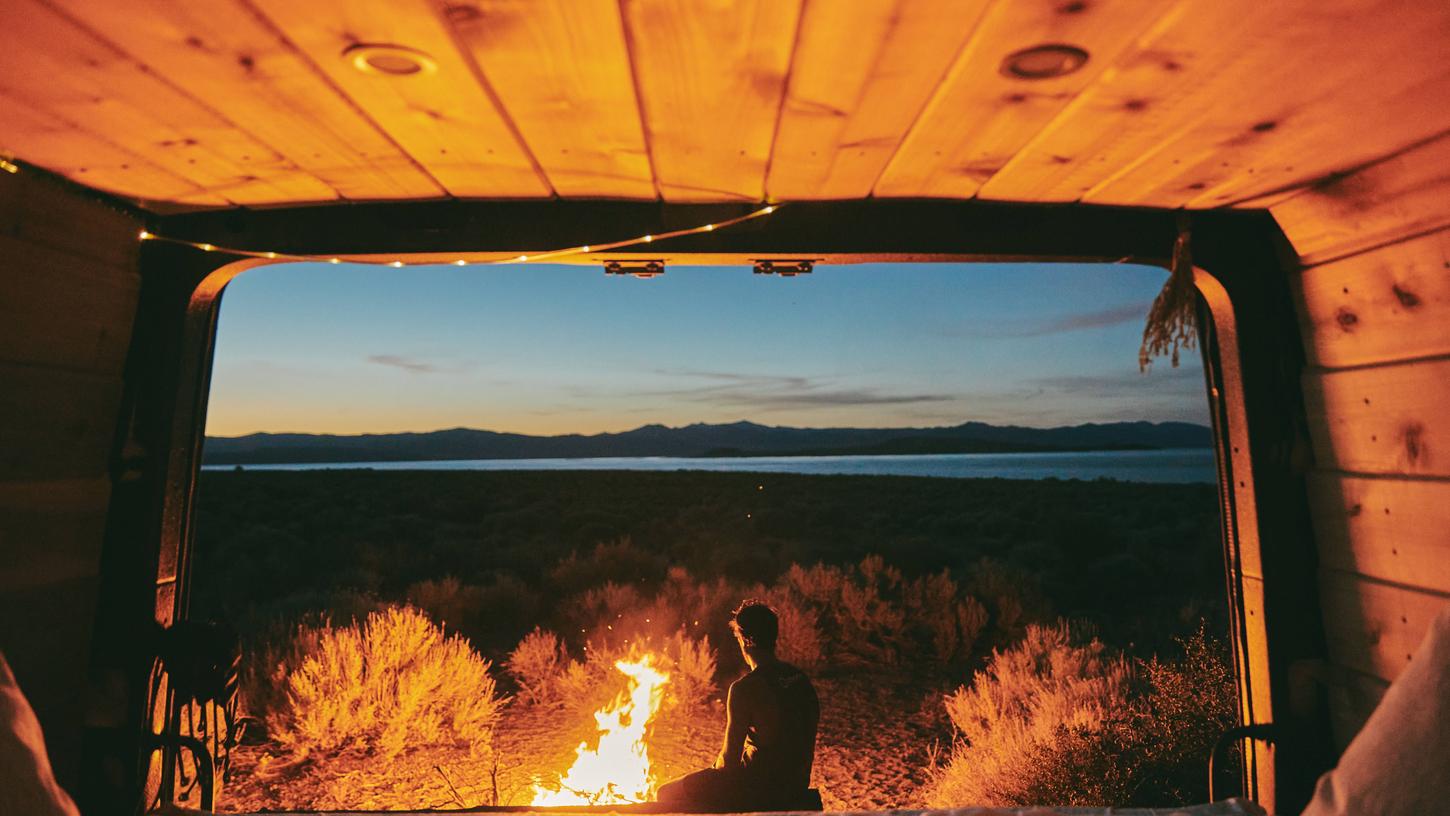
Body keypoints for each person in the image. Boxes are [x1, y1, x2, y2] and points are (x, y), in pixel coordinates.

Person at [657, 600, 819, 812]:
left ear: (747, 640)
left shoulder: (745, 689)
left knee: (665, 793)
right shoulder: (800, 679)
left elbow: (728, 763)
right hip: (795, 784)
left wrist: (711, 772)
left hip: (758, 790)